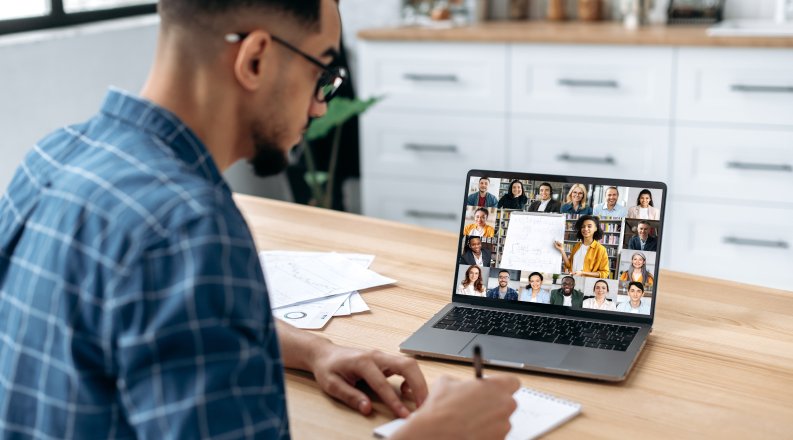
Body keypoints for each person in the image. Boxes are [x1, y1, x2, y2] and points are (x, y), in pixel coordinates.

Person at [0, 1, 521, 438]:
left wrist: (314, 349)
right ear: (254, 59)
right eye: (323, 72)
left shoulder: (52, 156)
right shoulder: (188, 229)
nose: (321, 107)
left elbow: (142, 327)